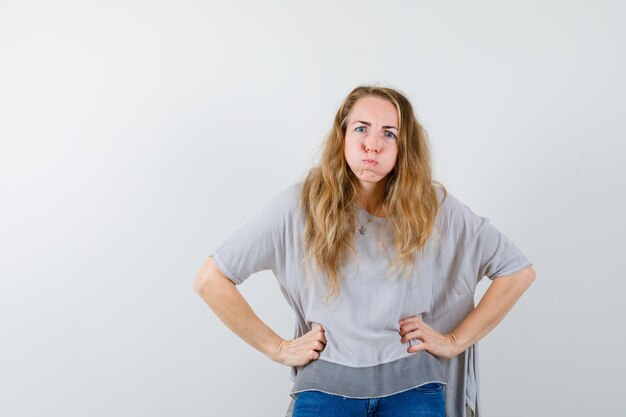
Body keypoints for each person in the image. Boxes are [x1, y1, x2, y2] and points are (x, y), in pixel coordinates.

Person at [193, 85, 536, 417]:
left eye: (389, 133)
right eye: (361, 129)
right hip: (325, 387)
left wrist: (454, 341)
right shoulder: (301, 206)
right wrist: (278, 348)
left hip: (414, 387)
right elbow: (211, 279)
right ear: (342, 136)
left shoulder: (432, 207)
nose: (373, 145)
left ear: (404, 147)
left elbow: (517, 272)